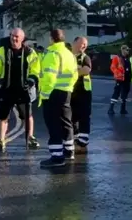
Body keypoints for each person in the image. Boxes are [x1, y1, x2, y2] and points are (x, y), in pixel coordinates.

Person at [0, 28, 40, 152]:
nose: (14, 38)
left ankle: (30, 138)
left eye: (17, 36)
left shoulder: (30, 52)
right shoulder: (2, 51)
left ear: (23, 38)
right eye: (12, 36)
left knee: (27, 115)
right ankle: (1, 141)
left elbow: (36, 69)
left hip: (23, 90)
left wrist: (31, 80)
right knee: (3, 116)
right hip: (6, 89)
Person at [38, 29, 78, 168]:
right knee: (66, 122)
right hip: (66, 91)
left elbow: (49, 77)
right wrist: (69, 87)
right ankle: (69, 151)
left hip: (52, 93)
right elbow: (74, 75)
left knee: (53, 124)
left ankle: (57, 157)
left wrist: (45, 94)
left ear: (51, 38)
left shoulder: (52, 53)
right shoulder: (69, 54)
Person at [71, 36, 92, 154]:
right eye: (82, 43)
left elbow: (86, 70)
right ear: (74, 43)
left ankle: (83, 141)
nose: (84, 46)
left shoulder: (85, 57)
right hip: (71, 91)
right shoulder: (68, 56)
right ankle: (74, 139)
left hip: (84, 92)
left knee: (84, 116)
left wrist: (73, 71)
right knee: (71, 117)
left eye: (86, 45)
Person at [108, 45, 131, 115]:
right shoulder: (117, 58)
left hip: (127, 79)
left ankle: (123, 109)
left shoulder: (128, 58)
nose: (128, 51)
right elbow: (113, 67)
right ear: (123, 50)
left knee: (124, 95)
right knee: (116, 93)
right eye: (127, 50)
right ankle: (111, 109)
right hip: (120, 79)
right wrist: (118, 73)